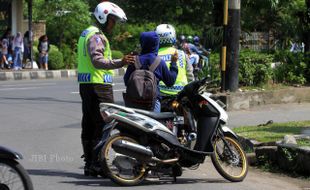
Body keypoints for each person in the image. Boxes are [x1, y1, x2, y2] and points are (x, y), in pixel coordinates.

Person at [77, 1, 135, 177]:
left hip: (87, 86)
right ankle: (96, 164)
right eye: (112, 20)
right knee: (102, 125)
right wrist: (120, 62)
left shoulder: (86, 32)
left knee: (89, 124)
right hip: (98, 86)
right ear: (103, 17)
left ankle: (90, 164)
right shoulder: (96, 36)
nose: (114, 25)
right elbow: (97, 60)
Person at [123, 31, 178, 112]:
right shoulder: (159, 62)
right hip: (152, 103)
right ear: (156, 44)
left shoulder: (134, 60)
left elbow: (126, 81)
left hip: (133, 103)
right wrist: (173, 64)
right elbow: (170, 81)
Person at [155, 24, 194, 111]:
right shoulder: (181, 54)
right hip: (181, 95)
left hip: (161, 95)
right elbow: (190, 75)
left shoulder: (155, 55)